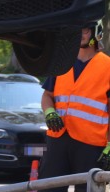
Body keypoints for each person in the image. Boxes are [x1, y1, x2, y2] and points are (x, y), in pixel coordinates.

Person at [38, 21, 110, 192]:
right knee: (48, 188)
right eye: (76, 29)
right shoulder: (62, 62)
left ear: (95, 32)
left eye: (85, 30)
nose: (81, 34)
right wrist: (49, 112)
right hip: (58, 139)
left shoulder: (107, 66)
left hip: (90, 145)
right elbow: (48, 95)